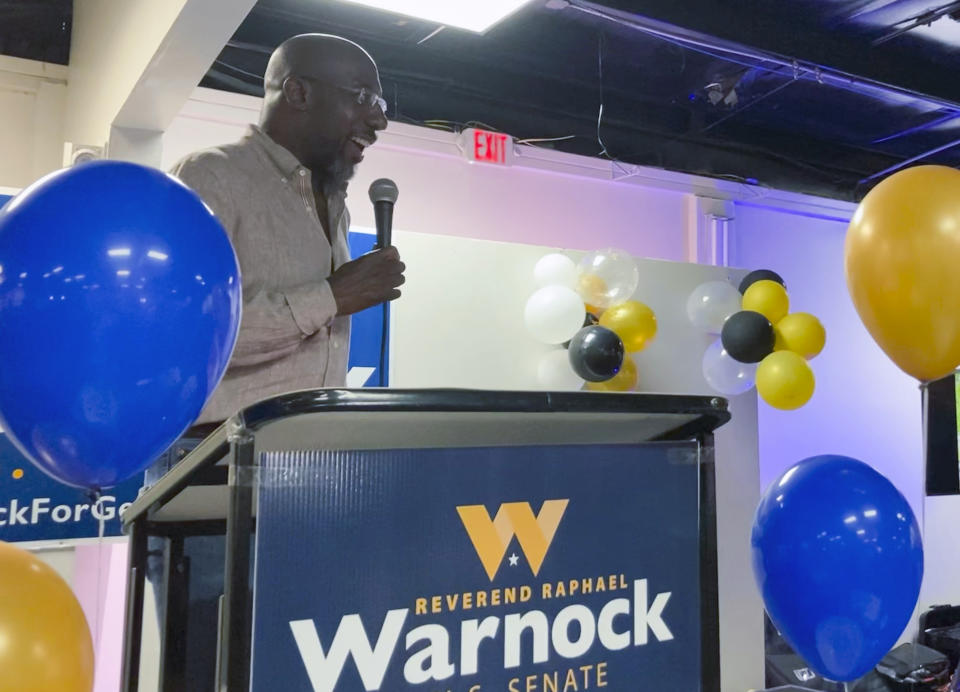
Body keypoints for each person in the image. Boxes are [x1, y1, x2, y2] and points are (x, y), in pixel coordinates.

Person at [144, 34, 404, 690]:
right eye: (365, 99)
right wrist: (336, 296)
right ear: (299, 93)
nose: (378, 119)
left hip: (303, 482)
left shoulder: (331, 199)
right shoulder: (210, 176)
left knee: (285, 666)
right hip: (210, 477)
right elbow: (183, 337)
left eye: (382, 103)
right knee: (209, 664)